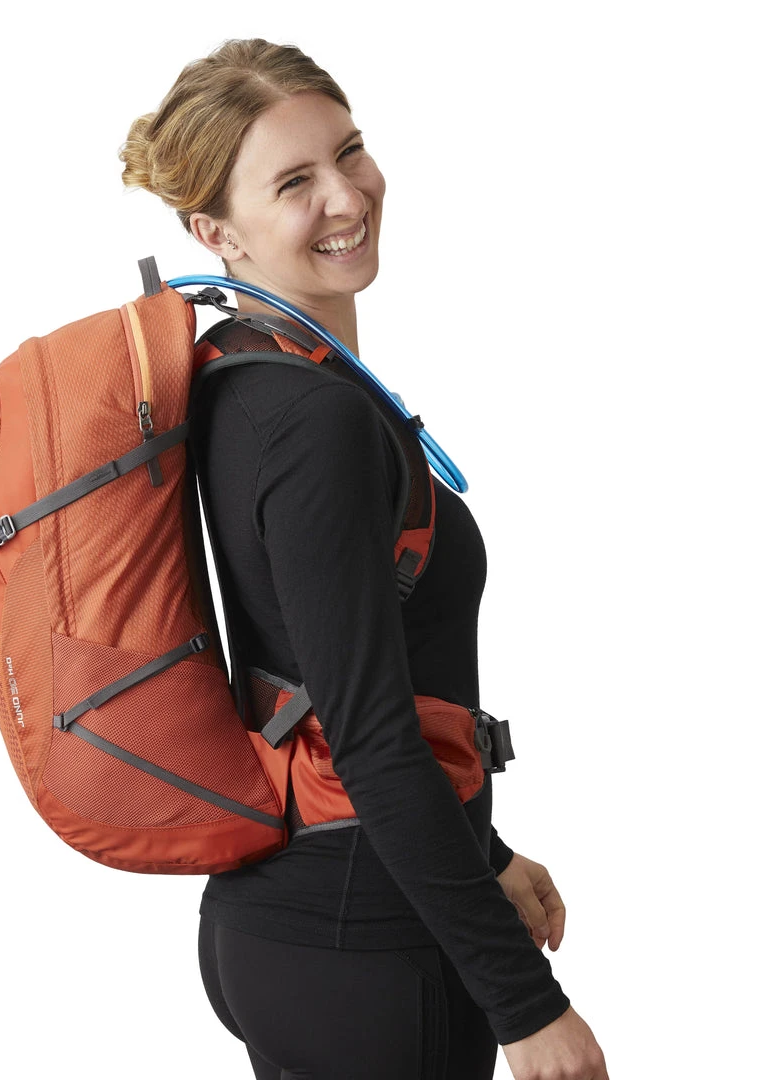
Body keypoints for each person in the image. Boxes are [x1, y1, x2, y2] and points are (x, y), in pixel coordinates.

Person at [120, 39, 609, 1080]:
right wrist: (527, 1008)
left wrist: (485, 856)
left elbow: (307, 672)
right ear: (215, 232)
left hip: (295, 923)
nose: (347, 196)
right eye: (294, 181)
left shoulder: (239, 376)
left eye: (349, 152)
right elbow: (370, 737)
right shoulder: (313, 421)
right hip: (370, 947)